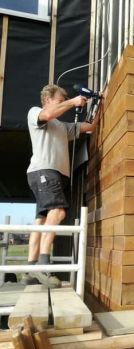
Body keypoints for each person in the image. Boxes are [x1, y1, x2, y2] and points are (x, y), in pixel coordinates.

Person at [24, 84, 99, 287]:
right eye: (60, 99)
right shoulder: (36, 113)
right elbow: (48, 115)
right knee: (58, 212)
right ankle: (43, 266)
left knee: (42, 218)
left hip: (51, 175)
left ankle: (31, 269)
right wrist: (73, 101)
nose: (63, 100)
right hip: (45, 171)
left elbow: (89, 127)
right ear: (48, 99)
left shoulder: (62, 127)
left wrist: (97, 103)